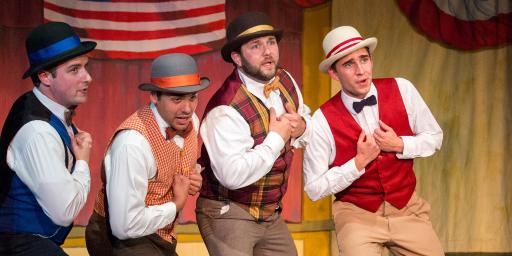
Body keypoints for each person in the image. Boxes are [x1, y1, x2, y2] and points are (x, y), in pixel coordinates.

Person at [303, 26, 444, 255]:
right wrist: (358, 163)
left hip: (407, 207)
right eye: (349, 64)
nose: (361, 71)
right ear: (334, 74)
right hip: (356, 215)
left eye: (364, 59)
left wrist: (400, 145)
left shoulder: (402, 88)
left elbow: (434, 137)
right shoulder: (321, 120)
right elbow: (314, 188)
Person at [195, 12, 311, 256]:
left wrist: (301, 128)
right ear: (237, 58)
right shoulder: (225, 109)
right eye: (256, 46)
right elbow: (233, 176)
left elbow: (305, 116)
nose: (268, 52)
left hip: (269, 212)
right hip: (228, 211)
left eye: (271, 42)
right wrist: (276, 139)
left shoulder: (285, 80)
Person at [84, 53, 208, 255]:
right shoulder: (132, 144)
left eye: (192, 97)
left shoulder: (190, 120)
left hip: (160, 231)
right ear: (154, 96)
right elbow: (125, 226)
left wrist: (193, 176)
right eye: (176, 98)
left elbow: (179, 160)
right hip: (121, 238)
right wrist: (176, 204)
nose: (187, 108)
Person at [0, 22, 95, 255]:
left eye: (85, 67)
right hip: (18, 243)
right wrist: (83, 163)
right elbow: (65, 211)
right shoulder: (38, 131)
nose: (88, 77)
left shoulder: (45, 107)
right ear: (45, 76)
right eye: (74, 70)